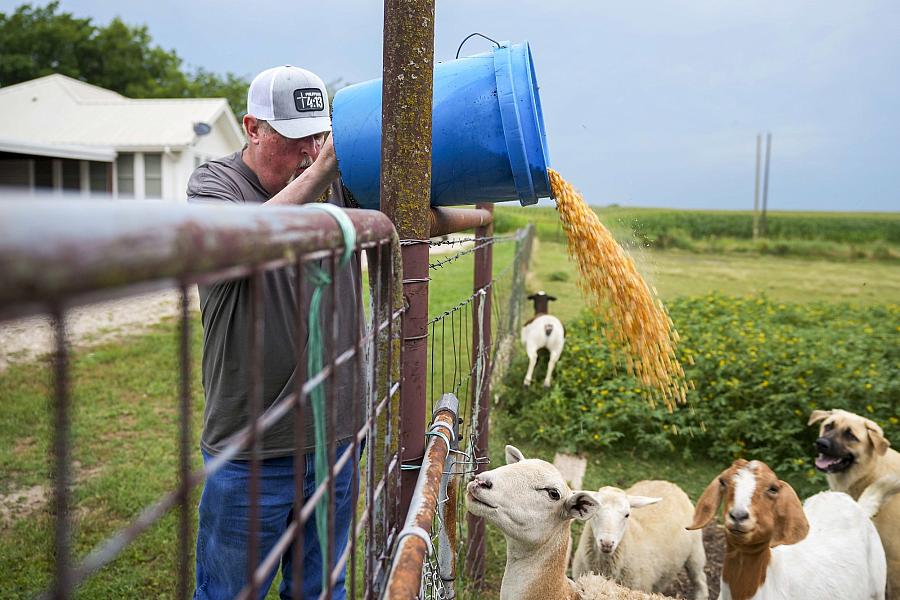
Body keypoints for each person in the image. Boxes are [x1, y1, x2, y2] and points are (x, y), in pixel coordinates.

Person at [187, 65, 362, 600]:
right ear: (253, 128)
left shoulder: (339, 182)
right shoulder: (213, 185)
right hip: (252, 445)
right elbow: (239, 242)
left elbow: (414, 217)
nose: (310, 151)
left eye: (318, 135)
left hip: (336, 437)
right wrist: (321, 174)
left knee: (318, 591)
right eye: (294, 138)